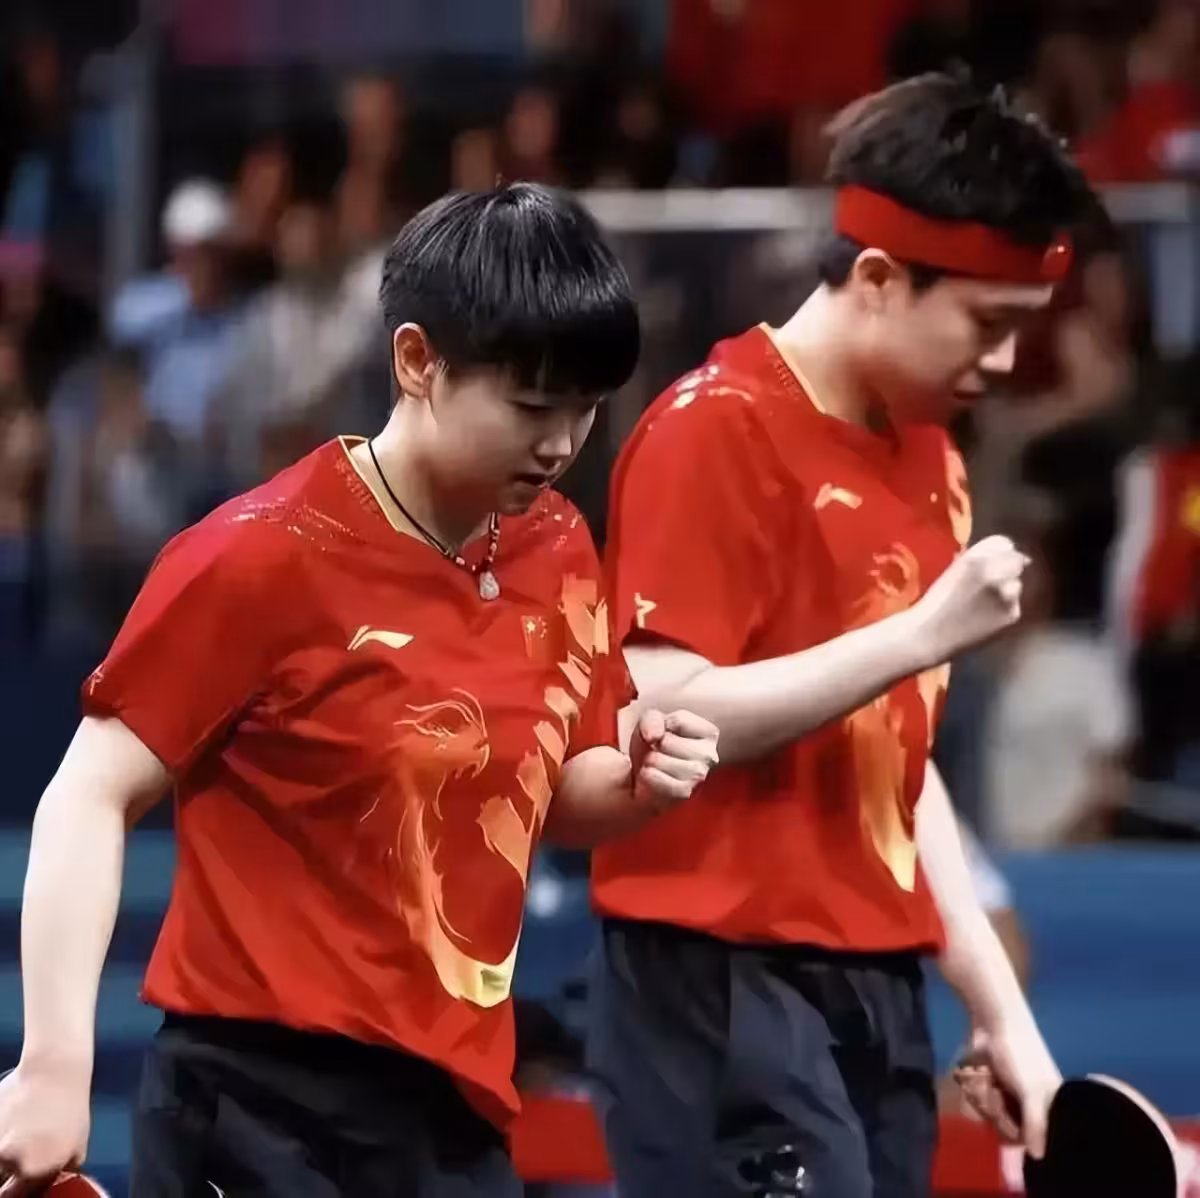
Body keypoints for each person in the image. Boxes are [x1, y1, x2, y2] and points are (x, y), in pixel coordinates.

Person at [0, 183, 720, 1198]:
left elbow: (549, 793)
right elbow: (88, 792)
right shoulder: (259, 556)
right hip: (259, 1104)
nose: (562, 444)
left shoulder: (558, 545)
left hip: (452, 1111)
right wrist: (53, 1063)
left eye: (586, 407)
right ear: (417, 361)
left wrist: (640, 780)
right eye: (530, 406)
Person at [589, 72, 1100, 1198]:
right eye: (988, 324)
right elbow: (664, 710)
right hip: (719, 979)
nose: (1005, 363)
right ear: (876, 278)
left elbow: (898, 762)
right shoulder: (712, 432)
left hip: (877, 987)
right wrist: (918, 635)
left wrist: (1000, 1012)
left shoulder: (934, 460)